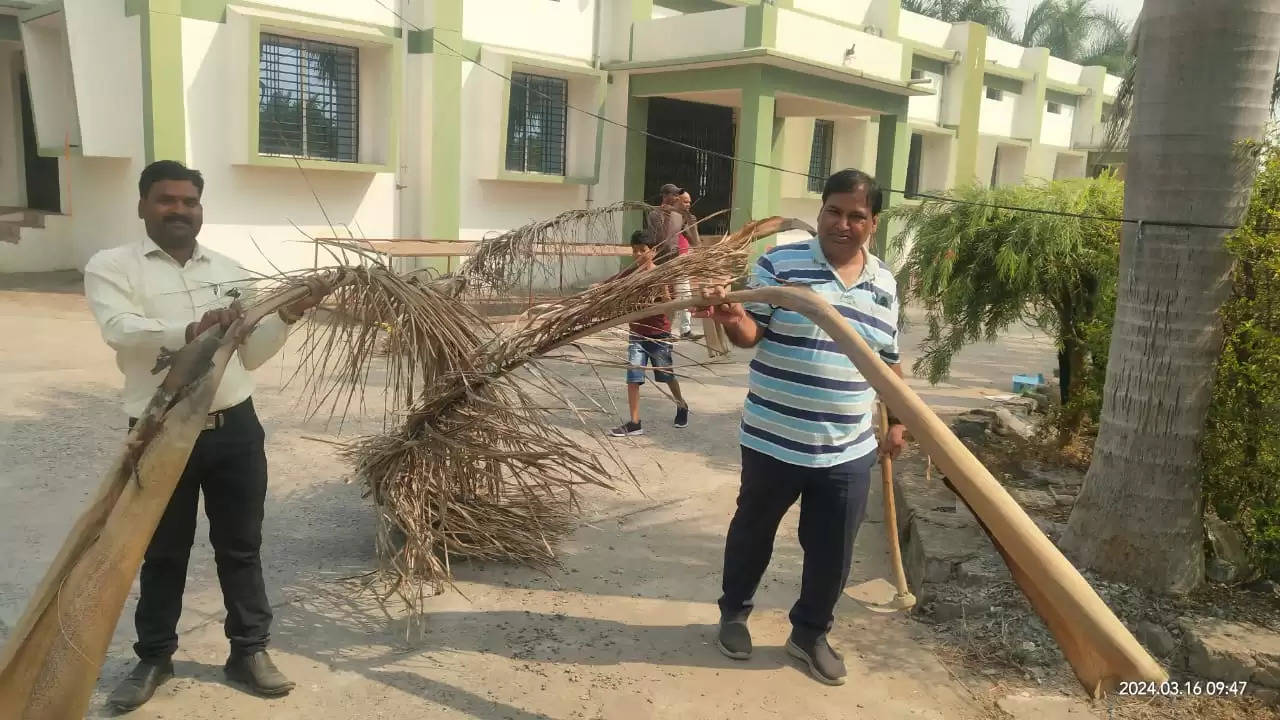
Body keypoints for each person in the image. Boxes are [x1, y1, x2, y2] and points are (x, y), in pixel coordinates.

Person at [83, 160, 326, 710]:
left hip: (234, 428)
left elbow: (252, 355)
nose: (179, 210)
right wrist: (192, 330)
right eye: (167, 200)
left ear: (201, 208)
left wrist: (285, 318)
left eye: (189, 201)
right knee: (161, 551)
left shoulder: (232, 270)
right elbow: (121, 333)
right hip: (159, 429)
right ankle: (154, 657)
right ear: (142, 205)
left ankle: (249, 650)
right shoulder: (112, 267)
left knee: (241, 547)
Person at [695, 169, 908, 686]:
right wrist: (731, 319)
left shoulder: (884, 284)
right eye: (834, 210)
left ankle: (809, 634)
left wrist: (898, 419)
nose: (843, 223)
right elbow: (751, 333)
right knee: (753, 533)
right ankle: (734, 615)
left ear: (872, 224)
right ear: (821, 211)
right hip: (772, 437)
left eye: (857, 215)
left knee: (833, 550)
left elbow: (889, 360)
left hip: (847, 448)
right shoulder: (780, 262)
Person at [606, 229, 690, 437]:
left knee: (666, 375)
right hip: (637, 334)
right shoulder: (630, 274)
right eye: (634, 250)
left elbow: (669, 304)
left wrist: (659, 295)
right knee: (633, 377)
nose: (637, 254)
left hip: (658, 334)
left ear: (652, 252)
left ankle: (681, 405)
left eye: (642, 250)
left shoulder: (660, 274)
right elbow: (611, 283)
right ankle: (635, 422)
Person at [671, 190, 703, 341]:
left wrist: (692, 225)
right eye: (685, 201)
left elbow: (695, 242)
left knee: (685, 295)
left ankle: (685, 330)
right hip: (669, 262)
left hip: (683, 261)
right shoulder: (667, 216)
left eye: (689, 202)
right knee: (669, 297)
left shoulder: (688, 218)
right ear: (676, 200)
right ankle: (666, 331)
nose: (688, 204)